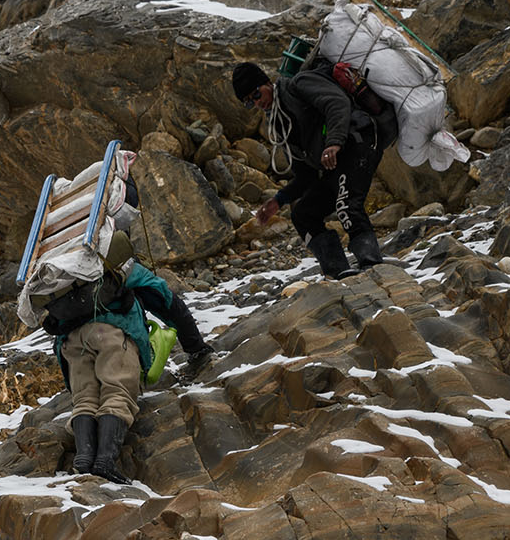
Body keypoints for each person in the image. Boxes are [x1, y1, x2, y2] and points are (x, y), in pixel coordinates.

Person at [51, 224, 209, 484]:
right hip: (112, 334)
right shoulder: (115, 264)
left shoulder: (63, 270)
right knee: (117, 394)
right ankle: (104, 462)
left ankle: (83, 460)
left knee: (85, 399)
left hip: (71, 341)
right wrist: (195, 347)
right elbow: (167, 301)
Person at [230, 57, 397, 278]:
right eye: (249, 102)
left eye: (257, 94)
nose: (257, 103)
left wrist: (334, 143)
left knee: (347, 205)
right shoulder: (280, 123)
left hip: (358, 141)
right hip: (334, 161)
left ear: (267, 83)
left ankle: (371, 265)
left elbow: (337, 103)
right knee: (303, 214)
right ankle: (339, 272)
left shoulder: (299, 84)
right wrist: (278, 200)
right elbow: (306, 175)